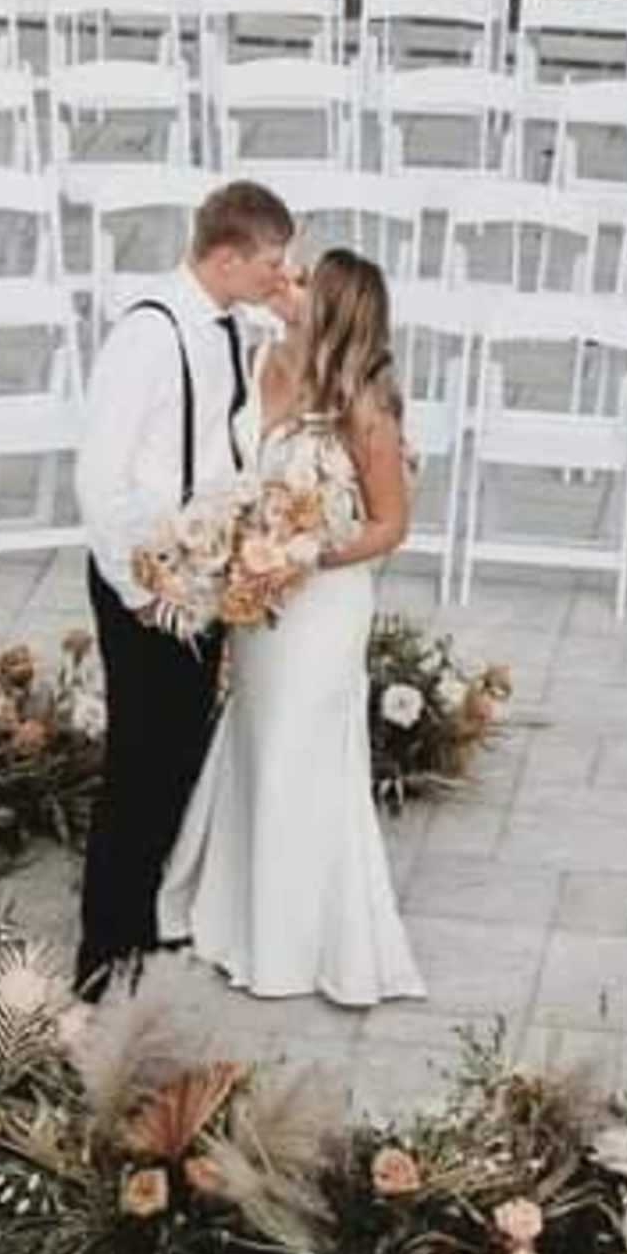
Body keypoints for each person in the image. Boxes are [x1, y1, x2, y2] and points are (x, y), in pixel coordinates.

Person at [157, 247, 426, 1010]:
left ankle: (292, 943)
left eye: (302, 279)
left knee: (297, 758)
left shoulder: (366, 408)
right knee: (252, 742)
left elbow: (390, 526)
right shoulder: (264, 356)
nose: (286, 281)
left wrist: (304, 555)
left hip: (320, 608)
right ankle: (233, 913)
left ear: (333, 305)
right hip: (256, 607)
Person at [72, 178, 297, 998]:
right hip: (146, 584)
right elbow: (101, 477)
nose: (282, 276)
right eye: (271, 262)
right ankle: (101, 955)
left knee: (177, 759)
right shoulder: (149, 336)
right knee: (138, 765)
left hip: (200, 581)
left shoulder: (235, 325)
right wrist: (140, 590)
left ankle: (141, 918)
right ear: (228, 256)